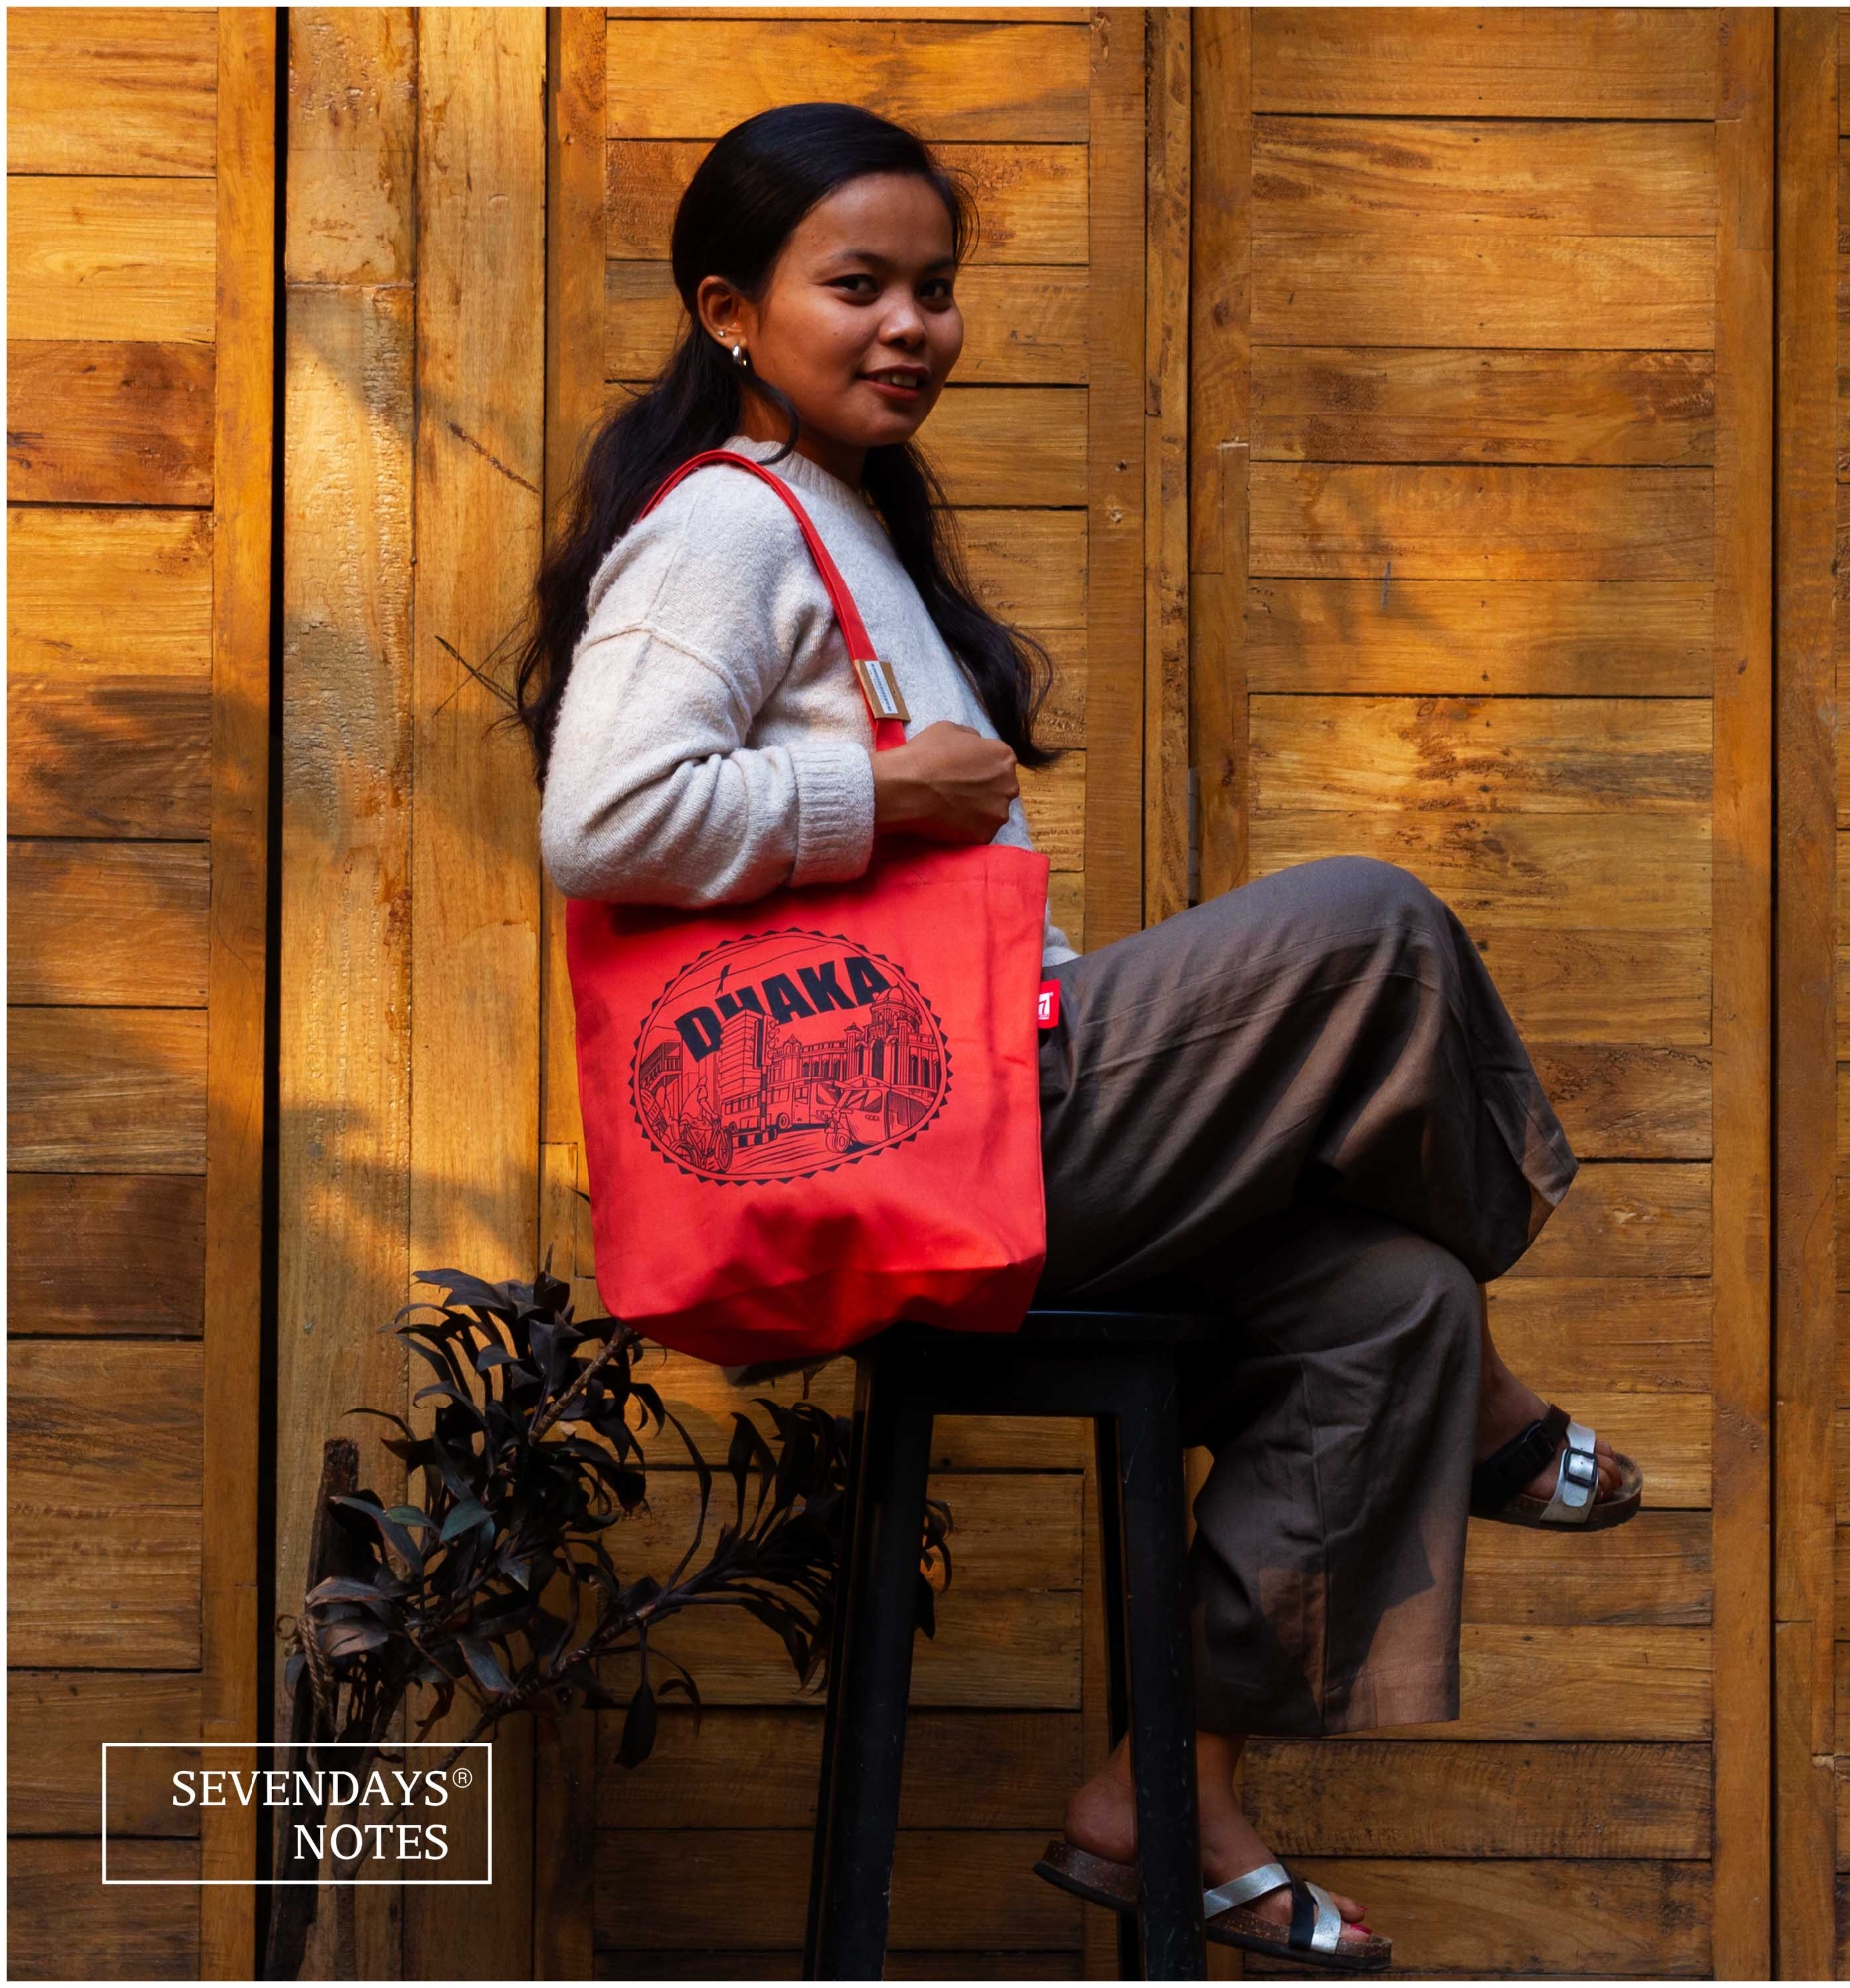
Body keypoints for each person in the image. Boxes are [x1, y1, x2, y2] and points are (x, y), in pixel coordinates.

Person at [511, 100, 1642, 1973]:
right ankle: (1502, 1416)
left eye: (935, 290)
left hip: (974, 1134)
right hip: (927, 1129)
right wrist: (878, 792)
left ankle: (1160, 1791)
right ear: (729, 308)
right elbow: (600, 817)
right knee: (1368, 929)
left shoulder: (855, 526)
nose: (908, 327)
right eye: (853, 285)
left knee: (1390, 1312)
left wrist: (893, 799)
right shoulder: (725, 520)